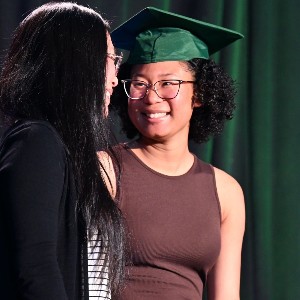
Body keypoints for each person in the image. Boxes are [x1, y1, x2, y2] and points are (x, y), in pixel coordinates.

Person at [108, 7, 245, 300]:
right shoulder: (105, 170)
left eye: (169, 83)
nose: (151, 97)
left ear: (200, 94)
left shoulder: (226, 191)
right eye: (139, 84)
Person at [0, 2, 125, 299]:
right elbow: (35, 267)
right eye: (110, 59)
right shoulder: (36, 143)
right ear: (77, 62)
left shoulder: (67, 152)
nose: (114, 79)